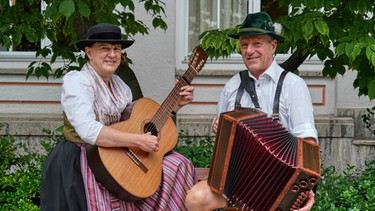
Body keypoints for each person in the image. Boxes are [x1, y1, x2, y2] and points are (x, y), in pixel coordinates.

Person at [40, 23, 197, 211]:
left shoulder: (120, 85)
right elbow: (88, 131)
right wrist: (138, 140)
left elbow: (131, 124)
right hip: (80, 160)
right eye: (104, 48)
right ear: (89, 53)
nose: (112, 54)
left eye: (116, 49)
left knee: (177, 165)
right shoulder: (78, 81)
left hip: (116, 157)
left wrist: (173, 106)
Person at [185, 12, 318, 211]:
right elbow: (223, 138)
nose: (249, 51)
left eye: (257, 43)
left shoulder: (293, 85)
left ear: (273, 46)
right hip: (236, 181)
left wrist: (306, 190)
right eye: (244, 45)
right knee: (195, 199)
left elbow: (308, 144)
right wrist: (218, 127)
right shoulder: (233, 85)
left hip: (278, 183)